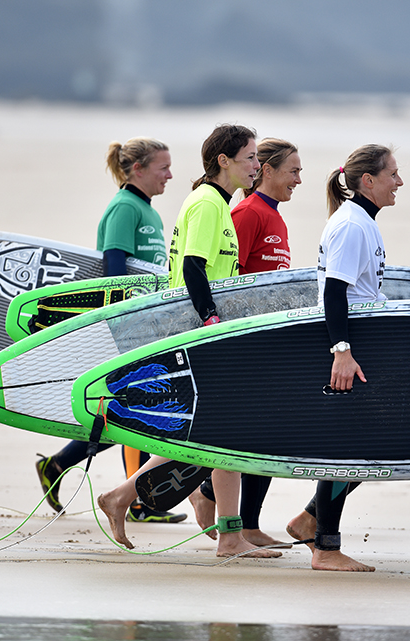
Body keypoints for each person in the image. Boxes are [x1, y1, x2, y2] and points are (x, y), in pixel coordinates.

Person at [96, 124, 281, 559]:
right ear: (224, 161)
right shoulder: (206, 204)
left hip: (208, 332)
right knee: (226, 433)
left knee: (216, 434)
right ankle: (228, 534)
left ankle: (125, 496)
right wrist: (211, 320)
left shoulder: (217, 203)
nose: (257, 166)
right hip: (202, 334)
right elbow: (194, 268)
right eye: (251, 158)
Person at [34, 137, 185, 523]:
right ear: (138, 169)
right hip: (127, 327)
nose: (170, 174)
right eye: (163, 167)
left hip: (147, 324)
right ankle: (137, 502)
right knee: (141, 411)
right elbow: (114, 272)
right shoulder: (123, 208)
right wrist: (129, 321)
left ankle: (59, 464)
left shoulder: (145, 210)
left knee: (130, 412)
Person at [285, 144, 403, 572]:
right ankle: (326, 549)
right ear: (368, 180)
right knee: (349, 444)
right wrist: (342, 352)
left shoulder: (362, 223)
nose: (399, 182)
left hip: (357, 342)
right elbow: (334, 293)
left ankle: (310, 519)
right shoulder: (352, 226)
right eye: (393, 174)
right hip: (348, 345)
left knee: (370, 444)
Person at [190, 138, 300, 548]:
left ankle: (237, 518)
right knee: (252, 433)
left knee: (267, 432)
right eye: (293, 170)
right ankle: (216, 507)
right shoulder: (246, 212)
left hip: (264, 340)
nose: (299, 179)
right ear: (266, 170)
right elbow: (221, 275)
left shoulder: (274, 216)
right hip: (239, 338)